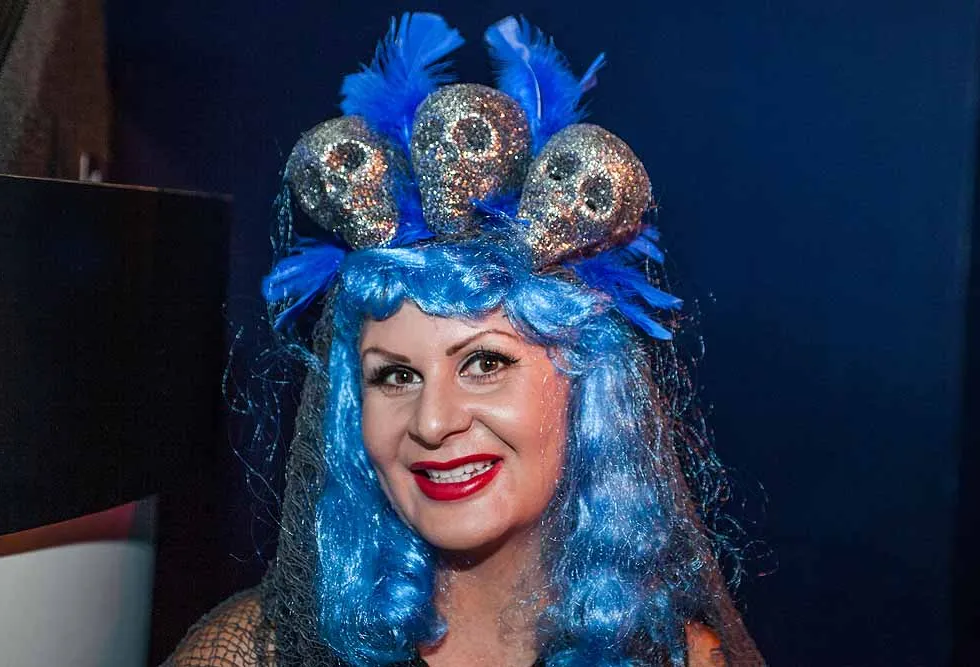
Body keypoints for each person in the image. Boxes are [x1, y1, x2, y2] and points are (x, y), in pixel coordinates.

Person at [164, 13, 764, 667]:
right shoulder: (254, 655)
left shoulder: (684, 660)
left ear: (586, 388)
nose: (432, 421)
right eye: (395, 375)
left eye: (483, 362)